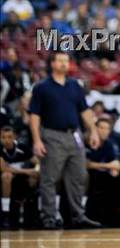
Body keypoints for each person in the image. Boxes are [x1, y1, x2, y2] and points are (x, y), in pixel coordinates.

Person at [28, 52, 101, 229]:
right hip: (52, 135)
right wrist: (37, 140)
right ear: (52, 64)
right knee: (49, 179)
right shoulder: (41, 87)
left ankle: (78, 216)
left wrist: (93, 131)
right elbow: (35, 116)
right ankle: (49, 218)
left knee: (78, 177)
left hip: (74, 135)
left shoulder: (75, 85)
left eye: (66, 61)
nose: (63, 64)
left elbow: (85, 111)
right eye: (60, 61)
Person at [85, 118, 120, 225]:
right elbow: (86, 164)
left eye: (107, 129)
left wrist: (112, 168)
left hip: (103, 173)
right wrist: (107, 166)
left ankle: (115, 215)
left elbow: (117, 164)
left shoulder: (110, 144)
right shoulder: (87, 141)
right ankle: (91, 215)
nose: (105, 131)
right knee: (98, 177)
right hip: (88, 174)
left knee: (117, 175)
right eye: (102, 128)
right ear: (95, 129)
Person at [0, 126, 39, 228]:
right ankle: (6, 214)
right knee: (6, 176)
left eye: (9, 137)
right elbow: (4, 169)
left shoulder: (23, 147)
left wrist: (36, 171)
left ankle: (35, 214)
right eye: (3, 137)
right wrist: (27, 171)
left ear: (14, 137)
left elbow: (38, 162)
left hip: (21, 178)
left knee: (34, 177)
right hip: (7, 178)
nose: (6, 140)